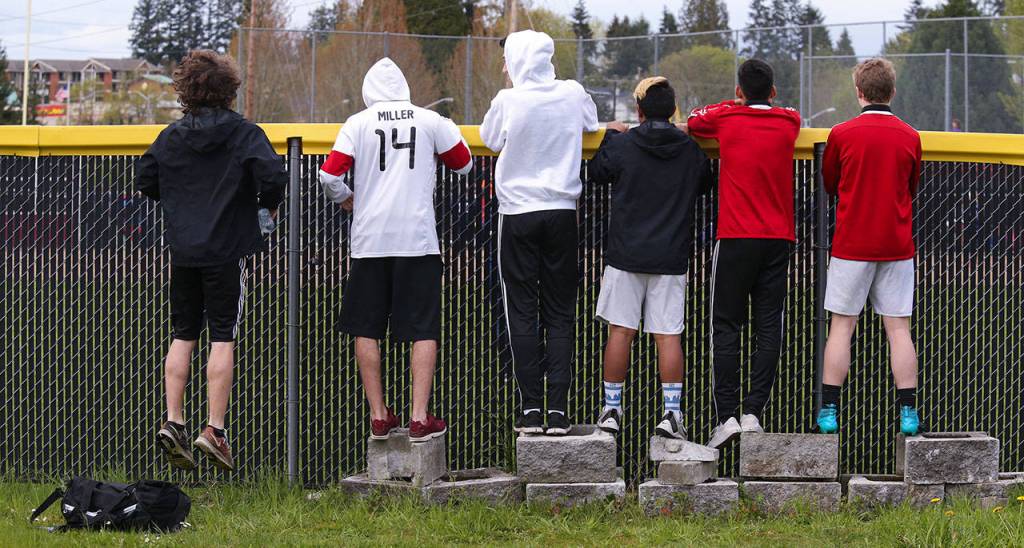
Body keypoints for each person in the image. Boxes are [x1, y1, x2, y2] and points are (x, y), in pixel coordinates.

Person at [138, 50, 287, 471]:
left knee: (183, 333)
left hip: (183, 251)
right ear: (229, 88)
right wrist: (265, 209)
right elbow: (273, 176)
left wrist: (181, 208)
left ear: (186, 89)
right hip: (225, 250)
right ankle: (215, 431)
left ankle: (174, 421)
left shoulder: (171, 136)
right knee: (223, 335)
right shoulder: (244, 133)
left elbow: (145, 178)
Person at [318, 57, 473, 443]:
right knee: (423, 326)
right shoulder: (429, 120)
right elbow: (464, 164)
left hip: (370, 239)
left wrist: (346, 197)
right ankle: (420, 416)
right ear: (404, 88)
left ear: (369, 91)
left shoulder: (358, 122)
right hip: (417, 239)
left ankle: (379, 414)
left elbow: (328, 174)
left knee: (366, 326)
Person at [480, 29, 599, 435]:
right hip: (563, 212)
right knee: (561, 311)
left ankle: (531, 408)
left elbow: (489, 139)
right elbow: (592, 122)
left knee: (521, 311)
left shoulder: (508, 100)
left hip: (517, 213)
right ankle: (559, 411)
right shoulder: (570, 92)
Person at [682, 60, 801, 449]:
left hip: (735, 237)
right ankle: (753, 412)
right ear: (773, 91)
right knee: (769, 327)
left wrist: (731, 104)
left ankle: (727, 416)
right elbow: (788, 114)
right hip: (777, 239)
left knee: (726, 326)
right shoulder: (789, 121)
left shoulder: (729, 118)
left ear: (738, 91)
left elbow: (698, 121)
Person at [589, 77, 712, 439]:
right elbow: (704, 182)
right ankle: (671, 415)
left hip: (626, 253)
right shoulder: (689, 150)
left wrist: (611, 136)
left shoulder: (624, 144)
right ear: (673, 111)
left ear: (639, 110)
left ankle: (612, 409)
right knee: (667, 336)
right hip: (670, 255)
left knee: (620, 332)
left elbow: (597, 173)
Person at [816, 58, 923, 436]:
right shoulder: (910, 135)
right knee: (898, 330)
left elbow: (831, 183)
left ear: (858, 91)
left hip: (851, 244)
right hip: (896, 244)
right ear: (892, 91)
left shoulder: (842, 133)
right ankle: (908, 413)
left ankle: (829, 409)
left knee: (841, 328)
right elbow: (911, 187)